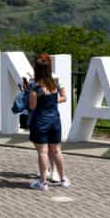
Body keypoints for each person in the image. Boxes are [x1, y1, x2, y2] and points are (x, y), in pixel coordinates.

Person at [23, 53, 68, 190]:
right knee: (57, 151)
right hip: (55, 120)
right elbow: (59, 98)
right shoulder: (54, 83)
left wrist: (26, 91)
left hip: (40, 121)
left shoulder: (35, 86)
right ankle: (63, 179)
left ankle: (42, 182)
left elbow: (32, 106)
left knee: (43, 152)